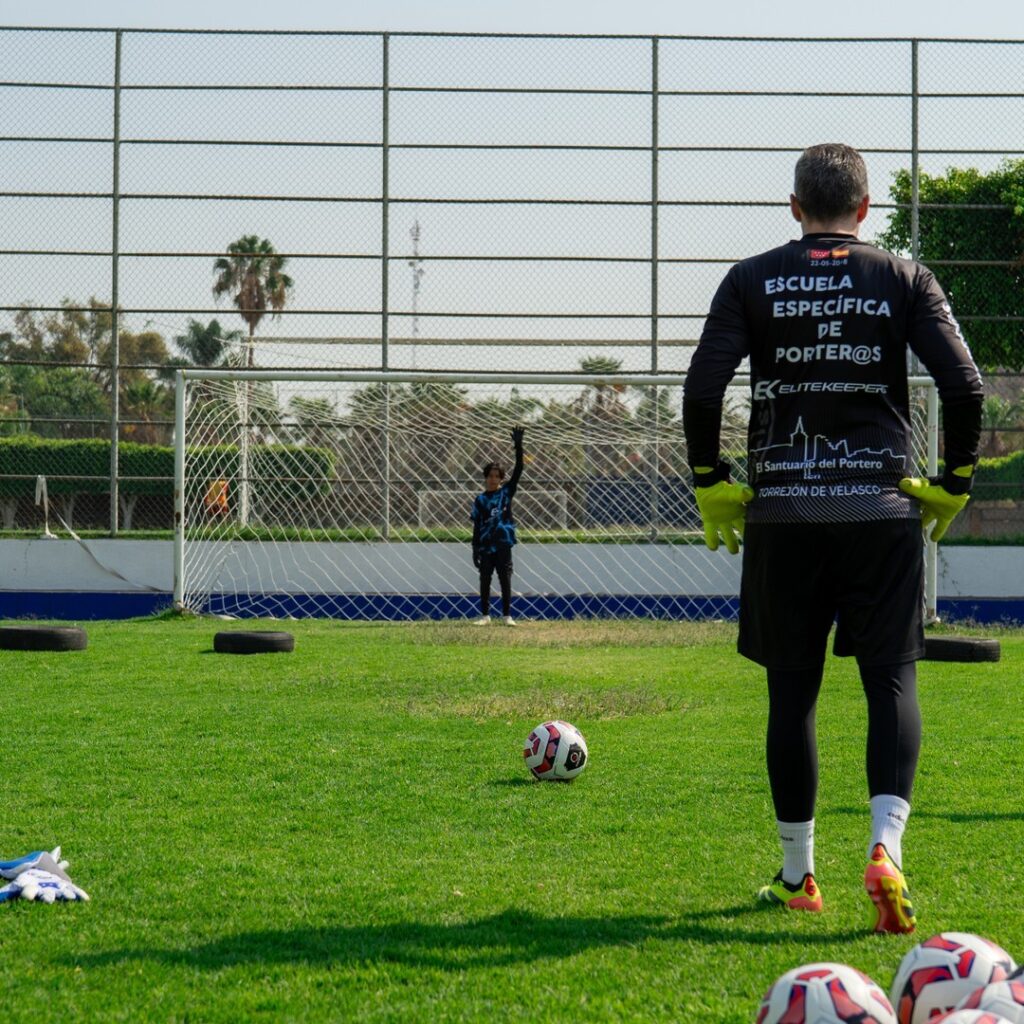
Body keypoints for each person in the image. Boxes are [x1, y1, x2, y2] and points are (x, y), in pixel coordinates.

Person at [682, 143, 983, 933]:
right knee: (890, 680)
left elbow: (704, 383)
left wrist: (710, 477)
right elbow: (964, 384)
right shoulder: (904, 276)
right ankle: (886, 849)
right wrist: (954, 481)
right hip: (880, 511)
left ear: (793, 208)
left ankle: (797, 875)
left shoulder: (750, 277)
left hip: (783, 511)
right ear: (866, 206)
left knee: (793, 692)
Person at [471, 426, 525, 626]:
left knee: (505, 579)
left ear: (501, 478)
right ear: (486, 477)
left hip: (503, 543)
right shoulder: (480, 500)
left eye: (497, 476)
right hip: (486, 545)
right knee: (485, 579)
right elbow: (477, 525)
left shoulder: (506, 493)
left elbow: (519, 469)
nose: (493, 479)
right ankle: (485, 615)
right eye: (490, 475)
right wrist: (475, 547)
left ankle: (507, 616)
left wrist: (518, 446)